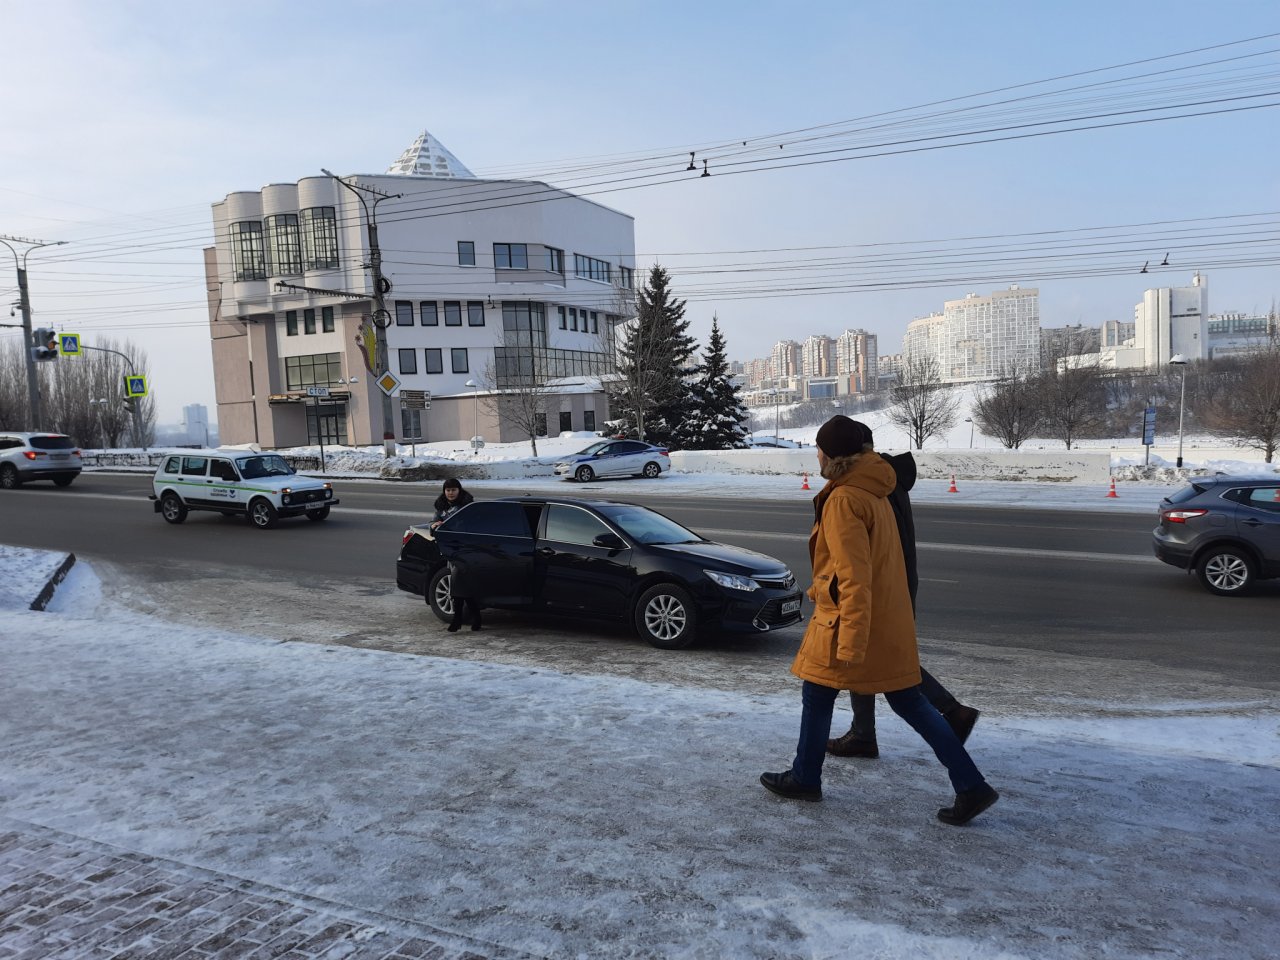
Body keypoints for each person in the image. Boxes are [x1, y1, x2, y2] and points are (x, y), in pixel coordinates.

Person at [760, 416, 998, 826]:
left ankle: (805, 777)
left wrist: (851, 640)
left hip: (850, 624)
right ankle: (971, 785)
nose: (815, 455)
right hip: (887, 617)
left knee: (818, 696)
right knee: (911, 704)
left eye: (819, 449)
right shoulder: (876, 491)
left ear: (833, 456)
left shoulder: (844, 500)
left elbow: (853, 576)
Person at [827, 450, 980, 759]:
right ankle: (864, 732)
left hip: (885, 587)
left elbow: (871, 547)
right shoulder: (886, 478)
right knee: (876, 657)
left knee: (885, 661)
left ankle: (951, 717)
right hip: (897, 582)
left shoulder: (874, 485)